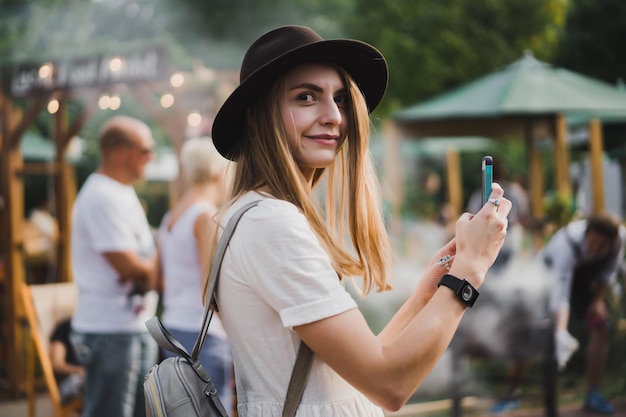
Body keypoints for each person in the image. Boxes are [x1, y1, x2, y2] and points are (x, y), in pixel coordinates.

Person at [208, 25, 511, 416]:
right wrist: (471, 269)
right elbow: (390, 384)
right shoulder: (271, 222)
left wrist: (428, 293)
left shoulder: (257, 213)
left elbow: (355, 373)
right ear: (255, 117)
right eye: (305, 97)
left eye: (339, 99)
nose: (334, 116)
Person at [491, 212, 625, 415]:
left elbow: (607, 272)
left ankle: (593, 394)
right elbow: (560, 293)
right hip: (548, 280)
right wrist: (560, 332)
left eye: (601, 245)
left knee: (601, 325)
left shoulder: (619, 240)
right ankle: (511, 393)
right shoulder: (567, 244)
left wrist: (597, 302)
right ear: (586, 234)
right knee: (532, 330)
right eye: (593, 242)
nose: (596, 248)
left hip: (584, 283)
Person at [70, 115, 159, 417]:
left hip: (129, 327)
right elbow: (132, 268)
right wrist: (165, 262)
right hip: (109, 331)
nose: (152, 157)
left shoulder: (119, 191)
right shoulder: (102, 196)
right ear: (121, 152)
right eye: (146, 150)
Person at [156, 137, 234, 413]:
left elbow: (162, 278)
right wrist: (237, 336)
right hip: (203, 336)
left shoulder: (172, 216)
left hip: (173, 328)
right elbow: (211, 288)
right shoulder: (206, 216)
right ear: (217, 172)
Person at [467, 159, 530, 271]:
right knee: (509, 273)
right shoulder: (515, 191)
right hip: (511, 236)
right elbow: (523, 216)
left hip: (488, 237)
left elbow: (472, 215)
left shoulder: (479, 194)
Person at [50, 318, 85, 405]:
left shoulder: (102, 331)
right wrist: (80, 370)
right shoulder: (65, 328)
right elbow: (57, 364)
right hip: (72, 380)